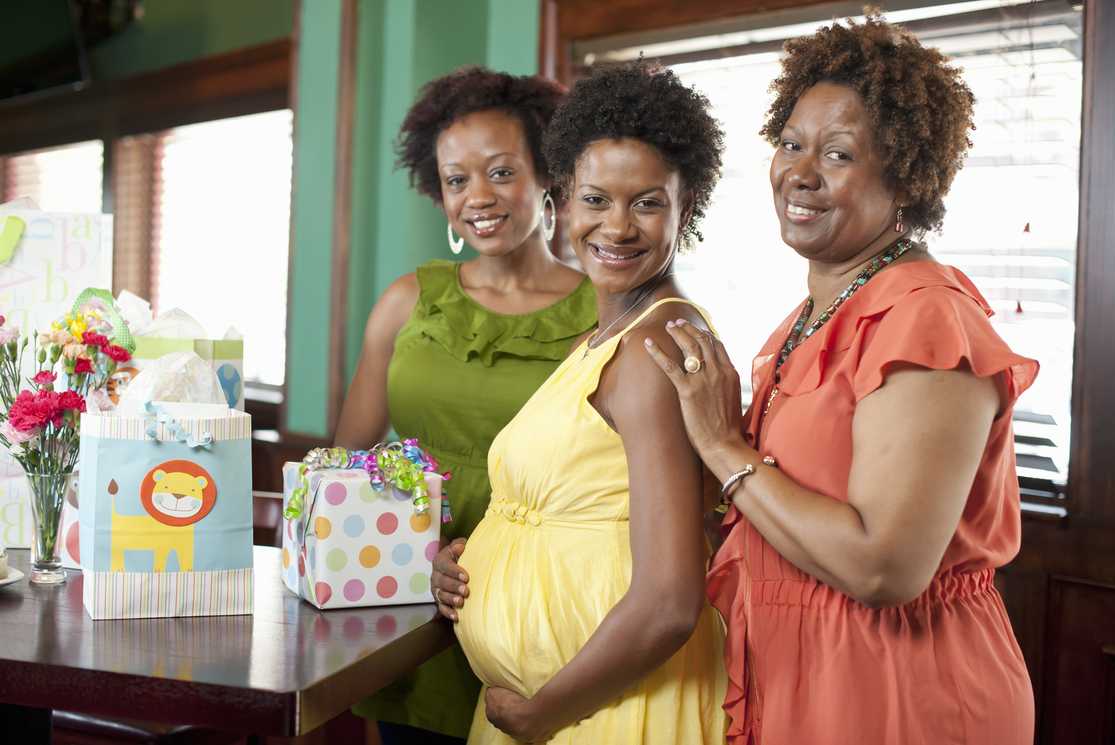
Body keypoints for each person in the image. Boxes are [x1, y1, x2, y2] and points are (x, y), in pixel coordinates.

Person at [644, 15, 1038, 745]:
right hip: (807, 671)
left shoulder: (925, 319)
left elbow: (884, 565)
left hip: (901, 690)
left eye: (838, 154)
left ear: (905, 175)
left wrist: (723, 447)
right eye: (791, 143)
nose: (800, 172)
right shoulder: (811, 316)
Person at [431, 62, 728, 745]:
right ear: (562, 201)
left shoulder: (659, 349)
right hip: (563, 707)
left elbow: (668, 602)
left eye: (647, 202)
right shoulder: (608, 337)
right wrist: (473, 555)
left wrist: (543, 712)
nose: (616, 226)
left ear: (689, 210)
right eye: (596, 199)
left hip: (606, 711)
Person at [335, 66, 597, 745]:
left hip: (541, 615)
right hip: (413, 610)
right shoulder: (405, 303)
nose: (478, 196)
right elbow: (343, 471)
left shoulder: (605, 313)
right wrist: (409, 552)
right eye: (457, 180)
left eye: (502, 171)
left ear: (549, 174)